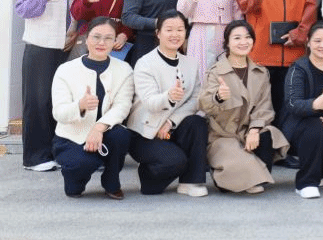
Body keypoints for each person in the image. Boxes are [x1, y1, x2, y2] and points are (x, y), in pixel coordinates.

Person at [236, 0, 319, 125]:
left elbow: (310, 8)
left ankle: (287, 144)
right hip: (262, 53)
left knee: (290, 109)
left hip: (293, 52)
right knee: (261, 109)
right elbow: (243, 5)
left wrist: (300, 35)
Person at [16, 0, 81, 171]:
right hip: (40, 47)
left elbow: (79, 10)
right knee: (38, 102)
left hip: (66, 47)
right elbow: (22, 9)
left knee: (61, 101)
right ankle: (35, 158)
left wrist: (77, 31)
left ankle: (58, 152)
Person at [199, 20, 289, 194]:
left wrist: (255, 129)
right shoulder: (216, 71)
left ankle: (248, 172)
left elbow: (264, 107)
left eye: (248, 37)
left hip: (247, 132)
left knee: (267, 134)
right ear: (227, 43)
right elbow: (204, 104)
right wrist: (218, 97)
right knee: (237, 177)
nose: (243, 42)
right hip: (223, 135)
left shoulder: (261, 72)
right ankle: (230, 174)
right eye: (237, 38)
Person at [50, 17, 134, 198]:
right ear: (87, 38)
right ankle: (75, 177)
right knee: (80, 173)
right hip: (72, 136)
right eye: (96, 37)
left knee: (121, 134)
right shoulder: (65, 70)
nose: (101, 43)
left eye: (108, 38)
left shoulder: (124, 69)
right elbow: (59, 112)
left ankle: (111, 182)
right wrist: (80, 106)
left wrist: (98, 128)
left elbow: (122, 106)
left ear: (115, 41)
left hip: (105, 134)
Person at [127, 11, 209, 196]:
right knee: (174, 163)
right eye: (169, 29)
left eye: (180, 29)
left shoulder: (191, 63)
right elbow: (150, 102)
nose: (175, 34)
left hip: (171, 128)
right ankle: (147, 173)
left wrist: (171, 121)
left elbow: (195, 99)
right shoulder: (145, 63)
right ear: (158, 33)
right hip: (145, 132)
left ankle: (191, 182)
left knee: (197, 123)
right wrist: (169, 97)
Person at [281, 21, 323, 199]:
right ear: (308, 42)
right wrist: (315, 105)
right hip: (299, 127)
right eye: (317, 41)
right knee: (315, 128)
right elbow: (292, 103)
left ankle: (315, 172)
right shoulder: (298, 68)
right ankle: (306, 183)